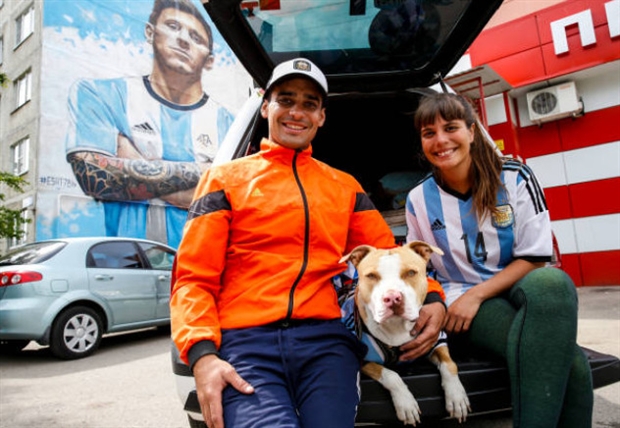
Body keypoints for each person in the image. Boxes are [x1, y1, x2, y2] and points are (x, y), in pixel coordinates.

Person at [170, 58, 446, 428]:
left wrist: (432, 298)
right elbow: (192, 279)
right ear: (265, 106)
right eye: (286, 100)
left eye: (309, 104)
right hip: (245, 345)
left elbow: (391, 258)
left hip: (326, 344)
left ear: (321, 117)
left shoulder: (345, 186)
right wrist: (202, 355)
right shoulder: (223, 180)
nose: (296, 112)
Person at [405, 92, 594, 427]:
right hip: (460, 299)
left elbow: (535, 257)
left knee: (553, 282)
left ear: (472, 131)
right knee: (572, 364)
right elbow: (421, 269)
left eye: (451, 128)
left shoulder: (515, 175)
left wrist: (477, 295)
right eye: (429, 133)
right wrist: (447, 302)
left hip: (515, 286)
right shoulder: (418, 198)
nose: (441, 140)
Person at [65, 0, 233, 249]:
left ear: (209, 60)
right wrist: (209, 171)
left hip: (205, 269)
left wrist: (134, 164)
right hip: (124, 270)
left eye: (196, 37)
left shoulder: (229, 122)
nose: (183, 39)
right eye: (173, 26)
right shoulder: (102, 94)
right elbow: (95, 177)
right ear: (150, 32)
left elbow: (232, 199)